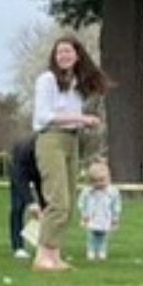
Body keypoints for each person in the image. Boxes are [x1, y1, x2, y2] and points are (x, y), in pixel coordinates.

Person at [32, 35, 108, 272]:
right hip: (51, 139)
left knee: (69, 203)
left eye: (68, 51)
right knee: (57, 200)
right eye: (59, 52)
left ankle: (54, 255)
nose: (63, 56)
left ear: (77, 55)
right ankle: (42, 255)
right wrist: (82, 118)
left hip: (71, 141)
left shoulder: (76, 85)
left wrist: (86, 123)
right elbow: (44, 116)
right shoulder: (47, 80)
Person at [8, 134, 45, 259]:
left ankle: (46, 245)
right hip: (20, 169)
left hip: (42, 173)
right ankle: (18, 246)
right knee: (17, 207)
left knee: (46, 208)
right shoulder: (24, 150)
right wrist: (30, 202)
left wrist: (41, 204)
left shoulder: (50, 152)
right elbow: (19, 178)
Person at [79, 160, 122, 261]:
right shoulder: (88, 192)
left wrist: (115, 217)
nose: (99, 184)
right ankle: (91, 250)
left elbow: (116, 204)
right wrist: (84, 214)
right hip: (92, 216)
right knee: (91, 234)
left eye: (102, 180)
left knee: (104, 235)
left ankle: (102, 250)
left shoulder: (112, 192)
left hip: (105, 216)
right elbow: (82, 203)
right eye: (95, 181)